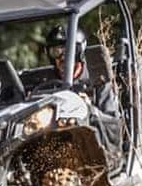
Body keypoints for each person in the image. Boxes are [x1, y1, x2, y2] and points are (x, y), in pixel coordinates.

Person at [44, 25, 123, 166]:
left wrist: (89, 109)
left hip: (94, 151)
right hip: (56, 148)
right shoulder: (46, 83)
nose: (62, 58)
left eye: (68, 52)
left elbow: (113, 125)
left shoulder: (98, 79)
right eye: (56, 52)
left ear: (79, 51)